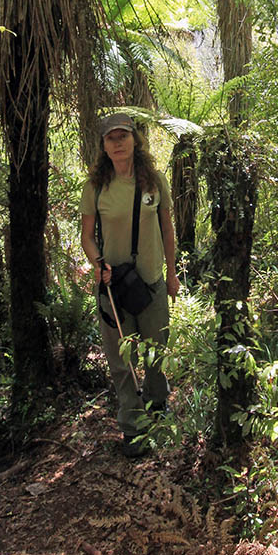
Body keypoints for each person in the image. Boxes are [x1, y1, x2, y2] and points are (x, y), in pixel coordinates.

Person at [80, 112, 180, 457]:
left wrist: (171, 273)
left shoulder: (154, 182)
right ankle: (132, 427)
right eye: (111, 138)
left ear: (135, 140)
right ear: (104, 146)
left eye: (123, 136)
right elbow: (87, 237)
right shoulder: (95, 186)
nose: (118, 142)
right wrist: (97, 264)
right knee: (120, 362)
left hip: (151, 282)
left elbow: (168, 230)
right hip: (114, 287)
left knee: (156, 354)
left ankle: (157, 406)